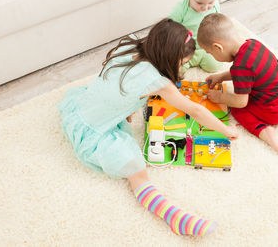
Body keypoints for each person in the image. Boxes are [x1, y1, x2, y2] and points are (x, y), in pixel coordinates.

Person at [58, 18, 238, 236]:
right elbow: (196, 111)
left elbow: (118, 84)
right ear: (170, 58)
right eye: (182, 63)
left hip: (80, 108)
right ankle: (172, 217)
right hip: (93, 133)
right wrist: (227, 131)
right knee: (136, 171)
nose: (182, 67)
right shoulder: (156, 81)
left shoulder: (131, 43)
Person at [197, 13, 278, 154]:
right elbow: (247, 73)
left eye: (210, 53)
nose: (212, 56)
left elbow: (241, 101)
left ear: (218, 47)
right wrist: (221, 77)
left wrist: (220, 98)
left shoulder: (240, 67)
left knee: (238, 110)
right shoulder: (253, 44)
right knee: (274, 71)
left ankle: (266, 132)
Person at [169, 0, 223, 73]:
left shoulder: (216, 6)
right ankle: (188, 62)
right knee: (176, 70)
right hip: (187, 48)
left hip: (207, 47)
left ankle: (200, 59)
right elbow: (170, 28)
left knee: (215, 66)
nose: (205, 8)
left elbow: (218, 23)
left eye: (210, 2)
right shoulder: (181, 8)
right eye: (199, 3)